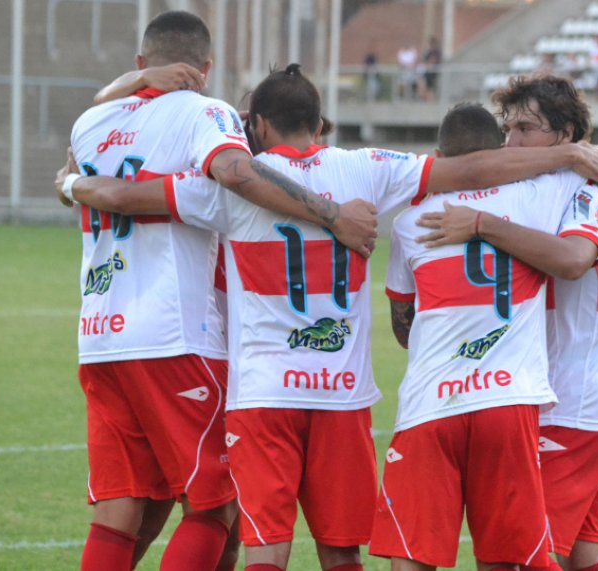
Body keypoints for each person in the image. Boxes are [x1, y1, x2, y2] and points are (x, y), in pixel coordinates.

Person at [58, 63, 598, 571]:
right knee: (342, 552)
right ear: (318, 121)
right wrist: (568, 155)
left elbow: (124, 196)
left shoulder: (230, 185)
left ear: (258, 125)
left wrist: (69, 184)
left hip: (264, 395)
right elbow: (470, 170)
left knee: (264, 550)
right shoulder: (365, 168)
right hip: (341, 396)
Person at [65, 12, 379, 571]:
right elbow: (235, 171)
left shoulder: (92, 122)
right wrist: (332, 215)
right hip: (176, 333)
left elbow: (84, 183)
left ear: (142, 64)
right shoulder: (205, 120)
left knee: (124, 505)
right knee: (220, 500)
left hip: (100, 336)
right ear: (204, 69)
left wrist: (71, 178)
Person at [369, 101, 598, 571]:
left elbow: (403, 323)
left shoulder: (409, 222)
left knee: (412, 552)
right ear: (501, 152)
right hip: (508, 401)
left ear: (439, 157)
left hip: (431, 403)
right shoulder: (538, 197)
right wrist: (577, 152)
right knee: (504, 554)